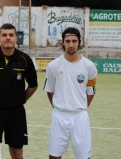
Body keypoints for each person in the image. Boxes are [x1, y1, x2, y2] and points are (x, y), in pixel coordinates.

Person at [0, 23, 38, 159]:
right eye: (4, 35)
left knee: (17, 152)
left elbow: (33, 85)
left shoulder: (25, 60)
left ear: (16, 38)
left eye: (11, 35)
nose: (8, 38)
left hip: (16, 113)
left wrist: (20, 99)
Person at [43, 27, 98, 159]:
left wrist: (80, 107)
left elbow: (90, 92)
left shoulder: (89, 66)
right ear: (63, 43)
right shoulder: (53, 66)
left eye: (74, 41)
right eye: (68, 41)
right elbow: (49, 91)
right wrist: (60, 107)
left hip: (80, 117)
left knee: (84, 157)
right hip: (59, 116)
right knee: (54, 157)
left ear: (79, 42)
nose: (71, 44)